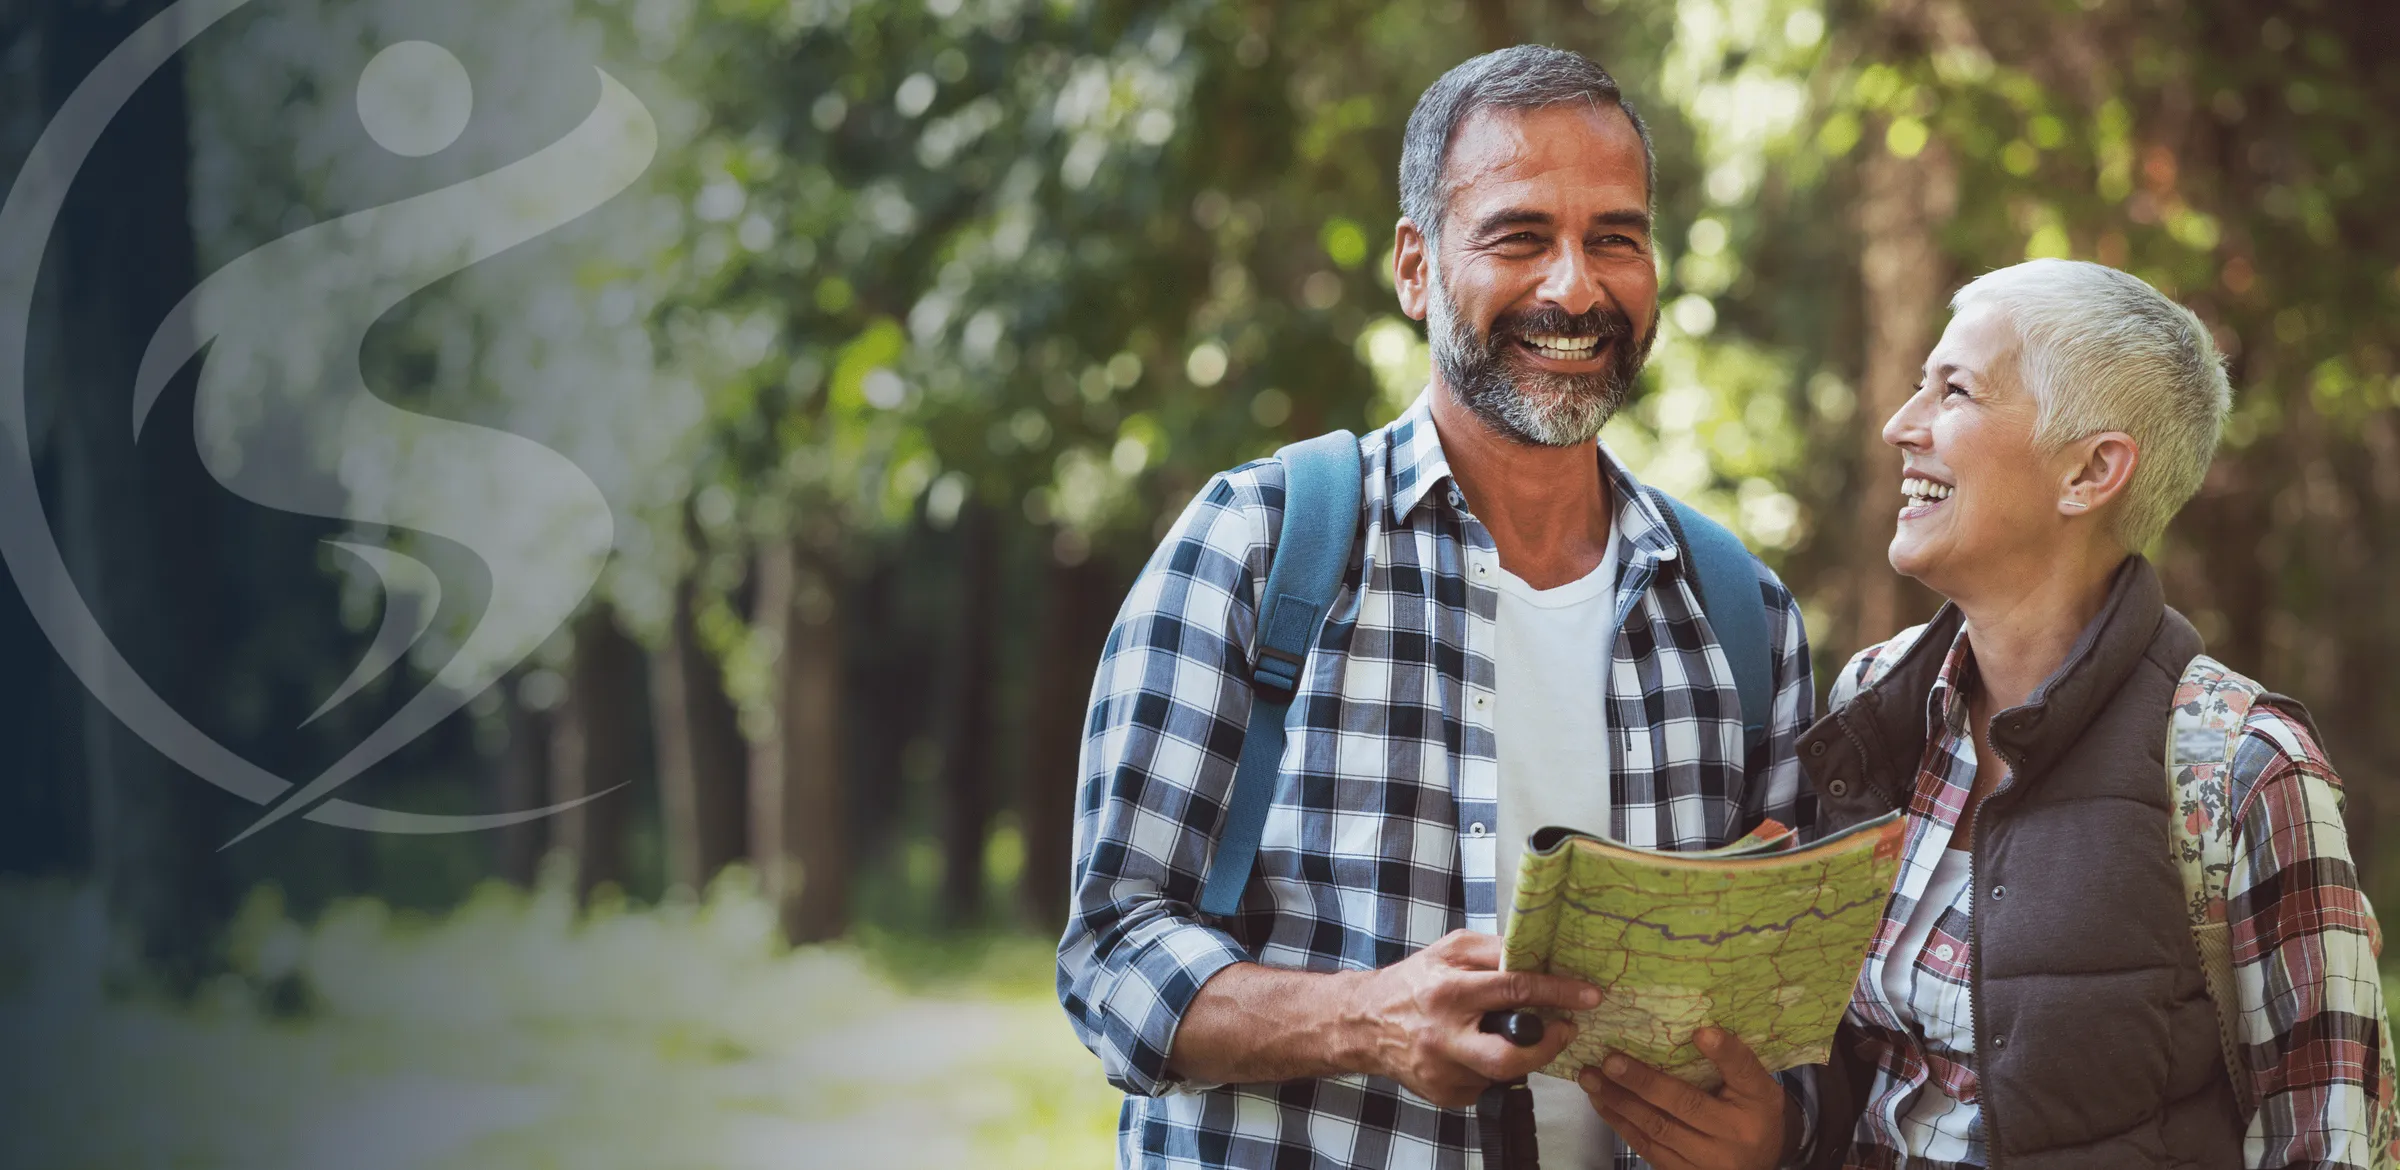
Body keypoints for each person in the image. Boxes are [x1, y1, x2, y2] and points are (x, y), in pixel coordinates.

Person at [1057, 45, 1822, 1170]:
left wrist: (1777, 1131)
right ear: (1415, 268)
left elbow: (1789, 1017)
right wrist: (1370, 1019)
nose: (1575, 287)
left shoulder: (1741, 614)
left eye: (1615, 237)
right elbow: (1110, 960)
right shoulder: (1259, 544)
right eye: (1520, 236)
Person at [1794, 258, 2379, 1167]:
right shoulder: (1872, 704)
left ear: (2092, 470)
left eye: (1954, 391)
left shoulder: (2247, 770)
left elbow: (2329, 1142)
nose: (1899, 425)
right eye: (1919, 386)